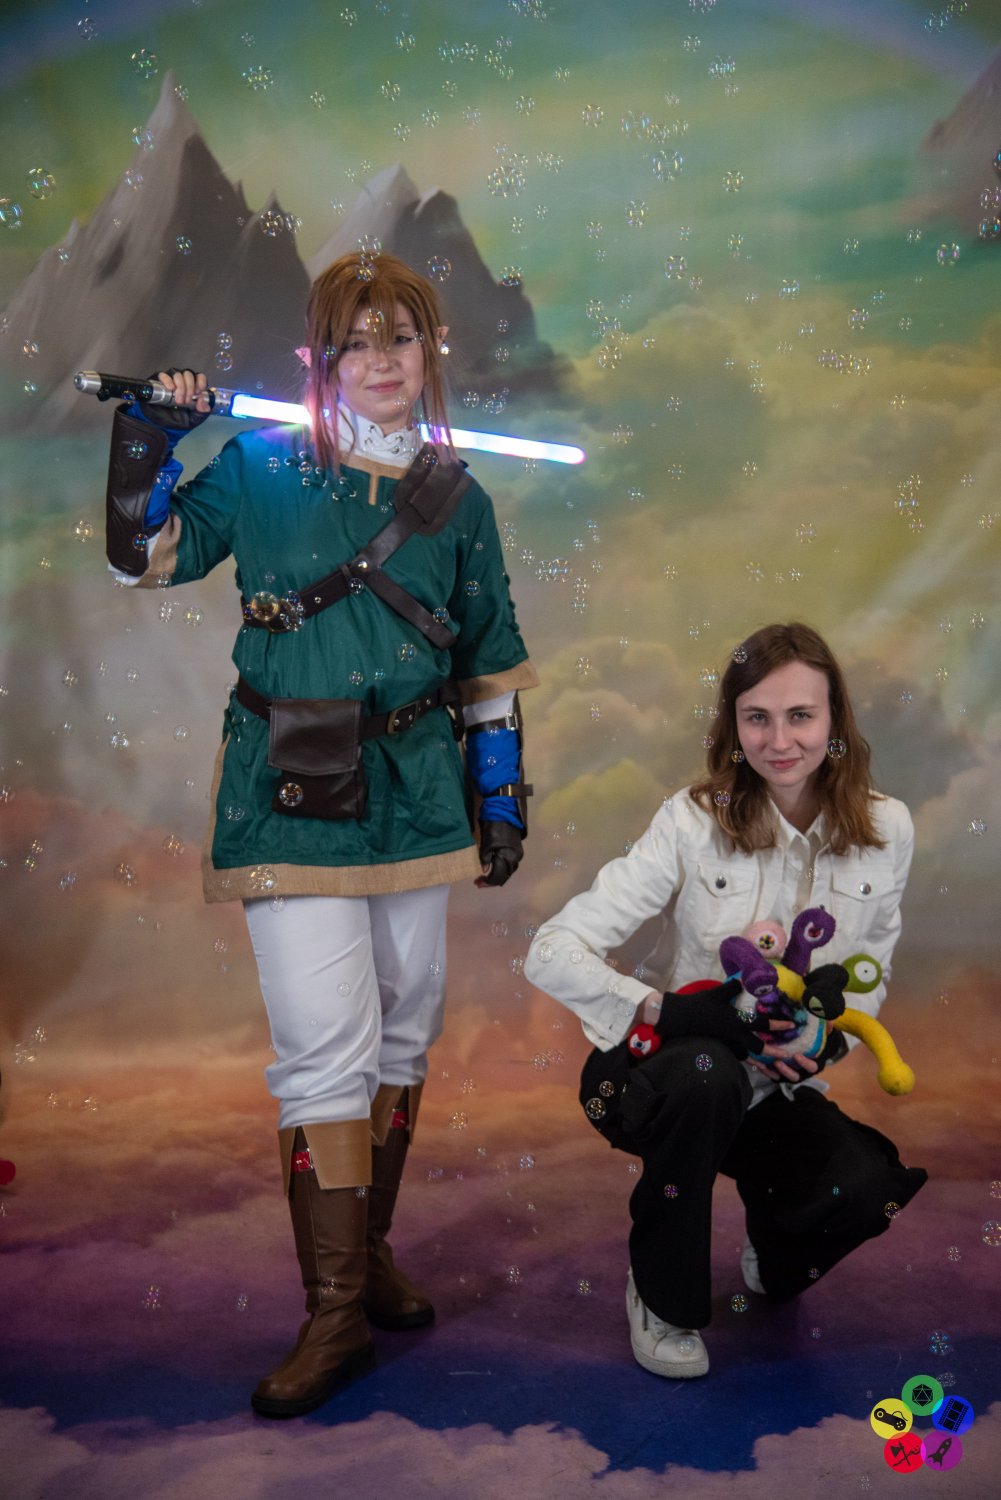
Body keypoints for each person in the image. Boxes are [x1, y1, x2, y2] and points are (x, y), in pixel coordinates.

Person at [103, 252, 538, 1417]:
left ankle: (367, 1253)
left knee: (402, 1037)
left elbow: (486, 667)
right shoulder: (257, 464)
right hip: (288, 789)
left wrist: (500, 798)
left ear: (428, 352)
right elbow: (142, 556)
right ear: (322, 359)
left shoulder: (459, 498)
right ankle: (334, 1313)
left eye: (402, 336)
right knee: (322, 1048)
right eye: (358, 340)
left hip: (417, 793)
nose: (382, 359)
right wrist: (149, 439)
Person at [524, 622, 925, 1380]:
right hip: (659, 1074)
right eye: (756, 717)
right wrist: (672, 1012)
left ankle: (774, 1242)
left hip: (773, 1089)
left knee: (867, 1188)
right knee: (706, 1072)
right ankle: (662, 1296)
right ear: (732, 725)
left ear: (835, 719)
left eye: (800, 715)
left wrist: (824, 1044)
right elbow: (550, 949)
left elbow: (870, 969)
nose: (779, 740)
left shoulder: (887, 827)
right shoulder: (690, 820)